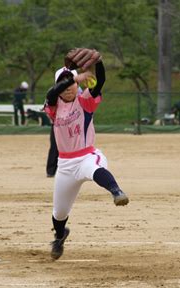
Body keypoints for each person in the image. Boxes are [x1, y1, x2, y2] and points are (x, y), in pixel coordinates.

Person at [44, 57, 129, 260]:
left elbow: (100, 81)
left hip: (86, 156)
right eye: (63, 84)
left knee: (95, 169)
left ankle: (116, 191)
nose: (68, 88)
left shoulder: (85, 101)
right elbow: (51, 93)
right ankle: (60, 235)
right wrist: (74, 76)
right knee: (59, 212)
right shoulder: (53, 107)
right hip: (64, 165)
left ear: (78, 85)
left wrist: (98, 61)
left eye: (71, 83)